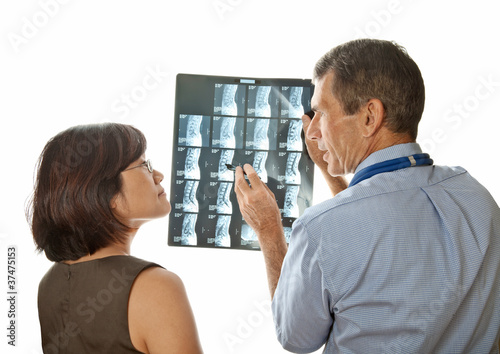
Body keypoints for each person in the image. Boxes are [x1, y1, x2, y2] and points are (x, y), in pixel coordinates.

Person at [234, 39, 500, 353]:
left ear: (369, 117)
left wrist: (268, 230)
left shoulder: (319, 229)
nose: (314, 130)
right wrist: (332, 172)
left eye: (321, 113)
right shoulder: (476, 196)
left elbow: (296, 337)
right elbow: (375, 219)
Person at [27, 123, 203, 353]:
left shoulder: (49, 284)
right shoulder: (156, 286)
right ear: (103, 190)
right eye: (144, 165)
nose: (158, 175)